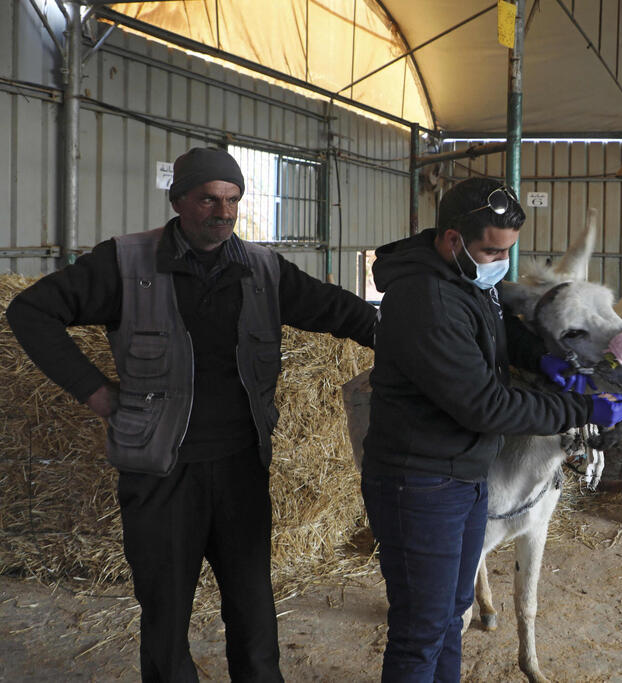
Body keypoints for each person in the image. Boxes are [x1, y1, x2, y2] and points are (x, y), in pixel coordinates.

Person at [5, 147, 377, 682]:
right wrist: (95, 392)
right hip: (160, 474)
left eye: (232, 199)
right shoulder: (126, 263)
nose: (222, 212)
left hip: (240, 468)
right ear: (179, 200)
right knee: (166, 613)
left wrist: (410, 337)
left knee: (253, 610)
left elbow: (342, 311)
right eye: (207, 199)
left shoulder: (263, 270)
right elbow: (30, 311)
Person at [361, 176, 622, 682]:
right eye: (491, 250)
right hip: (420, 481)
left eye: (508, 250)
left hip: (463, 473)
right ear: (451, 239)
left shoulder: (464, 281)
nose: (500, 263)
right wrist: (580, 409)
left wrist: (545, 359)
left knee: (451, 616)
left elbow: (499, 330)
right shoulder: (427, 299)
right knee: (422, 631)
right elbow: (484, 406)